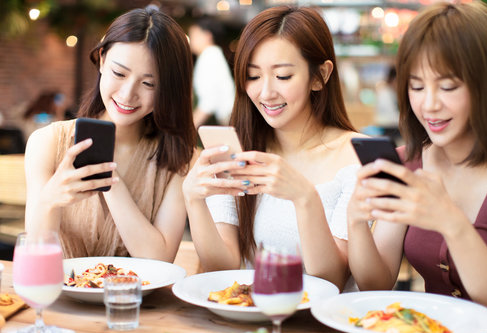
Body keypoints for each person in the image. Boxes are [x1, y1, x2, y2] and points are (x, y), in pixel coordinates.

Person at [347, 2, 487, 324]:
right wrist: (355, 222)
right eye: (417, 86)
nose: (429, 104)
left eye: (448, 86)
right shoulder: (408, 163)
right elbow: (375, 282)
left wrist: (450, 221)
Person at [183, 6, 365, 290]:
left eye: (282, 76)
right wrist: (194, 201)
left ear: (320, 76)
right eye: (253, 76)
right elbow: (223, 269)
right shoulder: (237, 149)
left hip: (324, 329)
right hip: (252, 322)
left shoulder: (355, 155)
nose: (265, 93)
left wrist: (305, 198)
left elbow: (332, 282)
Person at [24, 7, 197, 261]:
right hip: (56, 298)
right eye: (119, 73)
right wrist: (50, 200)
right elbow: (35, 255)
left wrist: (110, 181)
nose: (128, 94)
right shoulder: (47, 142)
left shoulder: (179, 160)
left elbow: (158, 262)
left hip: (133, 301)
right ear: (102, 60)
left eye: (148, 83)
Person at [188, 16, 235, 128]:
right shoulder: (212, 54)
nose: (191, 40)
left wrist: (189, 128)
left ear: (207, 36)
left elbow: (209, 102)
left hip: (230, 119)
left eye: (194, 35)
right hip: (229, 118)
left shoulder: (209, 56)